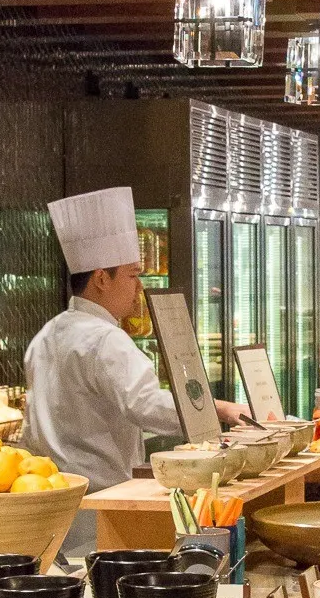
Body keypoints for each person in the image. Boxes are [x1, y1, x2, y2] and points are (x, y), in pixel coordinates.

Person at [22, 186, 250, 491]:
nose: (139, 287)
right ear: (101, 278)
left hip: (50, 492)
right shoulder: (105, 339)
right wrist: (222, 409)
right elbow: (146, 405)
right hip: (102, 497)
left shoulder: (46, 333)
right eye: (132, 275)